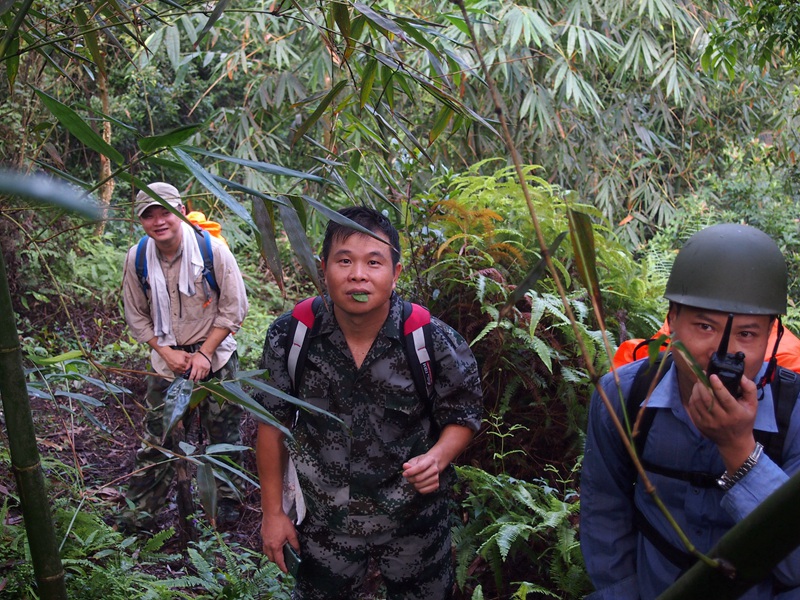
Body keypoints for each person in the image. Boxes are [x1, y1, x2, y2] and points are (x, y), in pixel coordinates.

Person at [255, 206, 483, 599]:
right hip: (324, 521)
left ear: (395, 273)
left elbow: (463, 414)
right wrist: (273, 513)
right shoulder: (291, 336)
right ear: (323, 268)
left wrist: (438, 457)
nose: (358, 275)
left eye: (374, 262)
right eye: (344, 261)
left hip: (414, 519)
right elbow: (270, 424)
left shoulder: (429, 339)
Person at [581, 223, 800, 599]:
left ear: (771, 335)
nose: (722, 354)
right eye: (704, 326)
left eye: (747, 334)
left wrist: (739, 449)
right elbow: (604, 513)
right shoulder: (622, 396)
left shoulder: (793, 415)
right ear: (672, 320)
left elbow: (795, 564)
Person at [121, 182, 249, 529]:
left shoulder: (212, 250)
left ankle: (225, 506)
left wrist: (204, 354)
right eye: (149, 215)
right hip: (168, 361)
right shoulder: (137, 258)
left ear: (180, 211)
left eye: (165, 211)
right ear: (141, 220)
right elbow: (136, 314)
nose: (159, 221)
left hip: (215, 357)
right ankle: (140, 515)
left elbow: (234, 308)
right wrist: (166, 352)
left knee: (223, 434)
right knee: (158, 438)